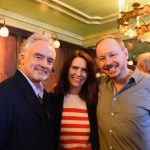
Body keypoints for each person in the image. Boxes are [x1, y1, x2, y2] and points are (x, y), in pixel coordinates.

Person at [0, 32, 56, 150]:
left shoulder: (46, 96)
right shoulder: (4, 92)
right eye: (38, 57)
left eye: (50, 60)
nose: (44, 64)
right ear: (22, 58)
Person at [96, 35, 150, 150]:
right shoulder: (99, 84)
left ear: (125, 54)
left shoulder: (147, 84)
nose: (108, 62)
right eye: (102, 58)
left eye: (112, 55)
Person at [47, 50, 99, 150]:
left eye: (84, 70)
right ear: (67, 69)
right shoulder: (54, 99)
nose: (79, 74)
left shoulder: (94, 101)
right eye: (75, 68)